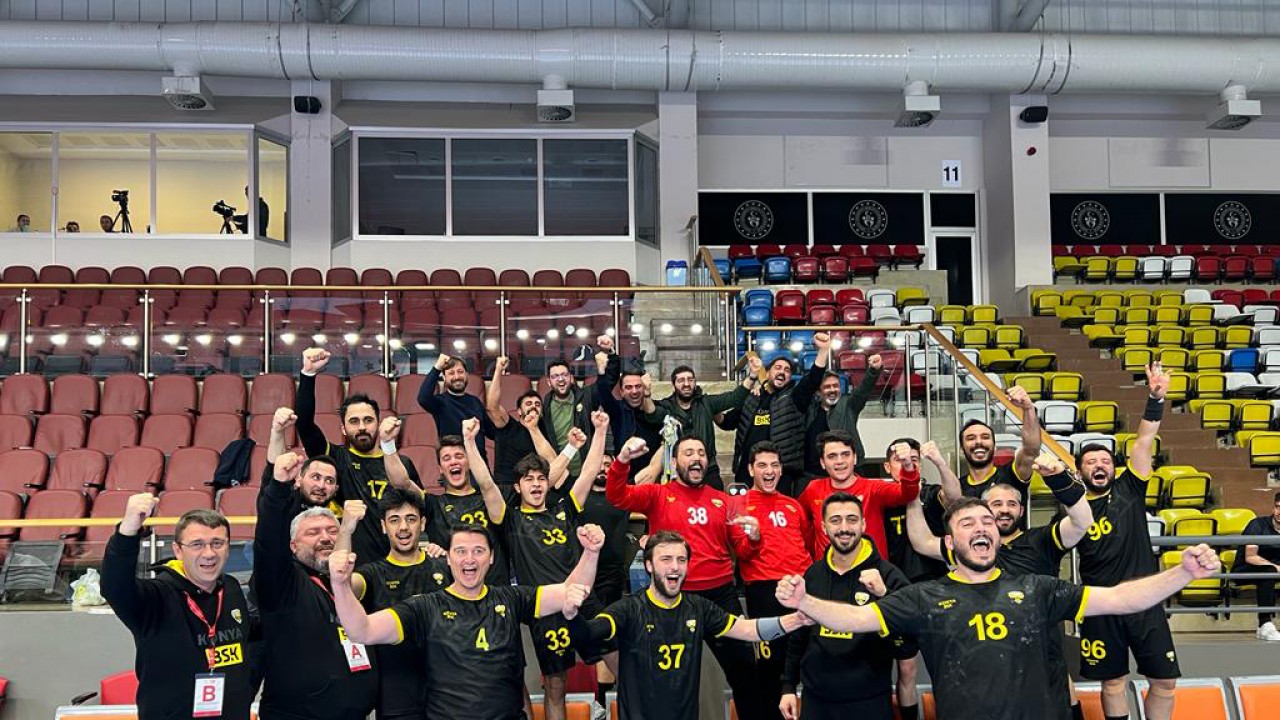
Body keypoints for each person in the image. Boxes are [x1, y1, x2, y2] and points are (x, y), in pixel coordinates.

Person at [775, 496, 1224, 720]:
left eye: (987, 521)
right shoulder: (923, 596)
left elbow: (1122, 598)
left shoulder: (1037, 588)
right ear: (950, 542)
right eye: (968, 523)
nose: (982, 527)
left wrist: (1182, 573)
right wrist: (805, 602)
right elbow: (856, 618)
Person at [326, 522, 606, 720]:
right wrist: (339, 584)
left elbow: (572, 591)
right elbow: (361, 630)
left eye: (478, 551)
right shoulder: (424, 607)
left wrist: (591, 552)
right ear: (448, 558)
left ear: (491, 558)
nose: (469, 559)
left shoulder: (511, 598)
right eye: (460, 551)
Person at [907, 454, 1096, 720]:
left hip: (1044, 662)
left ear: (1022, 511)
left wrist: (1060, 480)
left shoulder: (1042, 540)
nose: (1005, 510)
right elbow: (921, 541)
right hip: (988, 665)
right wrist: (912, 496)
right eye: (996, 504)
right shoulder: (970, 551)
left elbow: (1082, 522)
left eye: (1012, 504)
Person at [566, 530, 811, 720]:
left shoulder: (698, 607)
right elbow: (588, 633)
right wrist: (571, 613)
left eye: (681, 559)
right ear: (649, 565)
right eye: (666, 559)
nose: (675, 566)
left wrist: (797, 619)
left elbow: (748, 631)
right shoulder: (629, 609)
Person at [605, 435, 764, 720]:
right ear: (675, 461)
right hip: (673, 600)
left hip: (720, 596)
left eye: (701, 453)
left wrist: (753, 537)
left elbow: (742, 549)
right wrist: (623, 460)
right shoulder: (657, 494)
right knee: (664, 678)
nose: (696, 457)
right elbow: (616, 496)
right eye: (688, 452)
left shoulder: (722, 500)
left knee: (746, 673)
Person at [472, 410, 610, 720]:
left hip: (584, 600)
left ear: (548, 483)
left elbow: (588, 473)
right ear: (517, 487)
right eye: (528, 479)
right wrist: (470, 442)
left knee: (621, 664)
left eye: (541, 478)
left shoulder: (565, 508)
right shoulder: (509, 519)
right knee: (556, 687)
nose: (536, 484)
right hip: (546, 609)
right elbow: (486, 483)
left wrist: (601, 431)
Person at [1074, 363, 1181, 720]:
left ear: (1114, 467)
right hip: (1101, 605)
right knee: (1112, 682)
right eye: (1091, 461)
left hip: (1145, 600)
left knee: (1164, 682)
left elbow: (1144, 440)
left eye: (1105, 460)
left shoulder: (1130, 489)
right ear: (1080, 471)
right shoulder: (1074, 508)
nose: (1099, 465)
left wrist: (1155, 399)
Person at [101, 495, 253, 720]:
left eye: (217, 543)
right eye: (197, 544)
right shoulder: (155, 596)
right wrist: (127, 532)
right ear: (178, 550)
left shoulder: (231, 588)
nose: (209, 553)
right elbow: (114, 587)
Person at [255, 452, 376, 720]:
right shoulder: (284, 583)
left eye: (332, 531)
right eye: (313, 532)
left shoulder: (341, 584)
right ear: (292, 546)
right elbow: (269, 542)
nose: (325, 538)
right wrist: (278, 486)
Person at [780, 492, 910, 720]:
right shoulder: (813, 575)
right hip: (816, 702)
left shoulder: (888, 575)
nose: (844, 528)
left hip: (869, 703)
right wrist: (788, 686)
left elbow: (908, 643)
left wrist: (884, 595)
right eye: (835, 520)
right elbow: (798, 635)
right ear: (823, 527)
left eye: (851, 519)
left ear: (863, 524)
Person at [296, 348, 422, 563]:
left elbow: (421, 509)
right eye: (354, 421)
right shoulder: (336, 459)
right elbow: (305, 425)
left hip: (401, 564)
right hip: (355, 565)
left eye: (368, 420)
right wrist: (308, 374)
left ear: (378, 423)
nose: (362, 427)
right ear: (343, 429)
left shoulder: (401, 464)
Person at [339, 491, 451, 720]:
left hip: (448, 693)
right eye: (394, 520)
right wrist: (345, 531)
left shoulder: (445, 568)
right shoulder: (372, 575)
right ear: (383, 526)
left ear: (423, 523)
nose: (403, 527)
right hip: (396, 698)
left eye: (411, 519)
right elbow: (341, 584)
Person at [731, 441, 814, 720]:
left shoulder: (793, 505)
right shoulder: (739, 505)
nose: (769, 471)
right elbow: (740, 553)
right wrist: (754, 538)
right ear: (750, 469)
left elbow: (807, 544)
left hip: (802, 587)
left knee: (808, 658)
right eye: (762, 465)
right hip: (765, 590)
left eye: (775, 465)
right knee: (770, 666)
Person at [732, 334, 831, 496]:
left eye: (787, 370)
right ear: (767, 373)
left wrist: (823, 350)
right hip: (746, 472)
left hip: (781, 475)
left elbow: (813, 380)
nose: (782, 372)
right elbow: (727, 422)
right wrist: (713, 408)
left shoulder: (794, 397)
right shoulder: (752, 398)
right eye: (777, 368)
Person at [421, 433, 523, 586]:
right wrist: (388, 444)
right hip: (451, 593)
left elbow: (541, 483)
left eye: (459, 456)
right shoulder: (433, 504)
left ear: (469, 462)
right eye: (446, 458)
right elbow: (402, 483)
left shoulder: (495, 496)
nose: (453, 461)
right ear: (440, 468)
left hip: (497, 592)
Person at [644, 358, 760, 490]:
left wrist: (752, 376)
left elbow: (734, 398)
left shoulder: (706, 402)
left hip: (708, 468)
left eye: (690, 380)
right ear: (674, 384)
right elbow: (652, 413)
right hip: (678, 470)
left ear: (695, 382)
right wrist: (646, 394)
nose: (686, 384)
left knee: (717, 498)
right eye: (681, 380)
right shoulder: (667, 406)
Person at [798, 433, 921, 558]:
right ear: (822, 463)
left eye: (846, 454)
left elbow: (908, 494)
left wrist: (908, 466)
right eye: (832, 456)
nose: (840, 461)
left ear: (855, 458)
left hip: (870, 568)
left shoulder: (873, 488)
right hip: (828, 568)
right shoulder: (813, 489)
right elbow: (799, 521)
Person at [952, 385, 1042, 526]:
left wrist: (1028, 409)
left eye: (985, 437)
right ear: (962, 449)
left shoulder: (1011, 474)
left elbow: (1031, 450)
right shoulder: (957, 488)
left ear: (994, 447)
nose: (978, 442)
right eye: (970, 438)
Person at [486, 355, 568, 486]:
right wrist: (498, 370)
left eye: (537, 404)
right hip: (507, 487)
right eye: (528, 403)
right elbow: (492, 406)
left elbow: (553, 464)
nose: (533, 406)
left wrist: (533, 428)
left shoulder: (545, 431)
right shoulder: (508, 426)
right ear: (519, 411)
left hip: (535, 488)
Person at [880, 439, 948, 583]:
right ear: (887, 467)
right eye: (899, 460)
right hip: (894, 580)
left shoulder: (931, 493)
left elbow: (953, 497)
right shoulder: (880, 498)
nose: (907, 464)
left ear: (920, 465)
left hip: (934, 578)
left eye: (913, 459)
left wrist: (941, 464)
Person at [803, 355, 882, 477]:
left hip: (848, 472)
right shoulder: (809, 409)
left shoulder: (849, 405)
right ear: (818, 391)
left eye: (836, 385)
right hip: (815, 474)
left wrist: (873, 371)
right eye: (827, 387)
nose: (832, 390)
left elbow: (864, 390)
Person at [593, 334, 662, 474]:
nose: (634, 391)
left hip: (653, 476)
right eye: (629, 387)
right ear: (621, 391)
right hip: (625, 476)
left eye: (638, 386)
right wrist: (601, 371)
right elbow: (604, 395)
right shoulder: (617, 410)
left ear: (645, 387)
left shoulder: (657, 409)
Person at [266, 406, 341, 514]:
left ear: (335, 489)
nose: (321, 486)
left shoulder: (341, 514)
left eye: (329, 481)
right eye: (316, 477)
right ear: (299, 480)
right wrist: (277, 432)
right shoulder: (282, 507)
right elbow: (275, 470)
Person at [539, 358, 600, 477]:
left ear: (571, 378)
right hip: (559, 474)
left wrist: (610, 356)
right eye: (555, 376)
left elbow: (607, 382)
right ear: (549, 382)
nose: (560, 379)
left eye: (564, 375)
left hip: (585, 473)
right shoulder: (544, 408)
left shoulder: (586, 397)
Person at [1237, 491, 1280, 641]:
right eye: (1277, 507)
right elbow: (1251, 556)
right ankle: (1264, 624)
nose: (1279, 512)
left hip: (1274, 571)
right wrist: (1276, 568)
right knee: (1268, 571)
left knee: (1270, 571)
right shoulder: (1257, 524)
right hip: (1245, 569)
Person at [421, 352, 493, 440]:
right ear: (444, 378)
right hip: (452, 449)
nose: (457, 377)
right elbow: (423, 398)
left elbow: (492, 432)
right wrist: (437, 367)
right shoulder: (440, 402)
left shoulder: (476, 402)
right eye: (451, 373)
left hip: (476, 449)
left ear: (466, 374)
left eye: (460, 372)